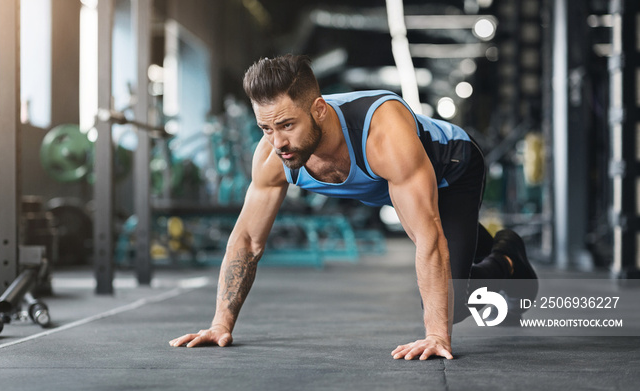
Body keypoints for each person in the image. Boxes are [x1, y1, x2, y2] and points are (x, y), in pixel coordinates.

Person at [170, 54, 537, 360]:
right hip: (396, 187)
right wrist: (221, 323)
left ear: (319, 109)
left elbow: (428, 237)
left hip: (451, 170)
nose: (278, 141)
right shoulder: (272, 156)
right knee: (451, 256)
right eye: (265, 128)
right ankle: (490, 248)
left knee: (452, 304)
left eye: (286, 125)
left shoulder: (381, 132)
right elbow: (247, 240)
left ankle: (507, 254)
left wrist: (436, 336)